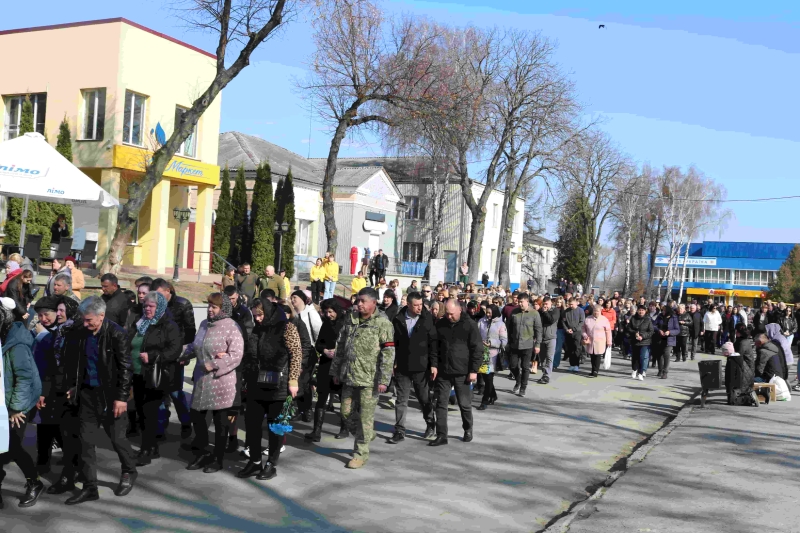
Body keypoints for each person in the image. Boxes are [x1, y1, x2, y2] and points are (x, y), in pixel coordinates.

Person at [64, 296, 138, 505]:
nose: (85, 324)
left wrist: (121, 398)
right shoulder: (81, 332)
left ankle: (129, 471)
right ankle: (90, 487)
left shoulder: (116, 334)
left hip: (111, 395)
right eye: (83, 320)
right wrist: (73, 385)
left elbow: (125, 368)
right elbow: (74, 362)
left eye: (89, 320)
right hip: (87, 394)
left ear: (102, 315)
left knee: (117, 438)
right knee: (85, 442)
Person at [236, 298, 302, 480]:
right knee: (252, 424)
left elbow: (296, 354)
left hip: (278, 386)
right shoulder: (258, 328)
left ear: (268, 312)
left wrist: (293, 380)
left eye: (260, 315)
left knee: (275, 427)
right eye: (255, 315)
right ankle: (255, 461)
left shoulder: (286, 327)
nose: (257, 319)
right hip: (256, 383)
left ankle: (271, 464)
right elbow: (250, 354)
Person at [330, 288, 394, 469]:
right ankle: (366, 433)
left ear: (374, 303)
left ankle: (360, 453)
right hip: (349, 375)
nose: (359, 304)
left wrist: (384, 379)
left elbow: (388, 353)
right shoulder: (350, 320)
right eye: (357, 301)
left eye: (363, 301)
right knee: (345, 412)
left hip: (369, 379)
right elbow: (340, 347)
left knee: (366, 417)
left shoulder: (382, 324)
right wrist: (335, 371)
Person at [183, 293, 244, 473]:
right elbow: (194, 346)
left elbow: (236, 355)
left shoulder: (232, 327)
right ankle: (202, 453)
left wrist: (215, 364)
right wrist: (180, 356)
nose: (210, 309)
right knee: (197, 417)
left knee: (220, 423)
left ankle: (217, 459)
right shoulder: (204, 325)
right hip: (202, 380)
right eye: (209, 305)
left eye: (214, 307)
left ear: (223, 309)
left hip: (221, 382)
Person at [126, 292, 182, 466]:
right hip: (136, 374)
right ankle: (152, 448)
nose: (147, 309)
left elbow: (175, 349)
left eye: (151, 306)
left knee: (149, 413)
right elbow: (130, 343)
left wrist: (153, 356)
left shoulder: (168, 325)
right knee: (142, 413)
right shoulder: (140, 323)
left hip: (155, 376)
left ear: (160, 308)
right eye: (145, 306)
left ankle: (146, 449)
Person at [0, 298, 44, 508]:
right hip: (4, 401)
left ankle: (34, 483)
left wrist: (16, 409)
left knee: (12, 447)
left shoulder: (16, 344)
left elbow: (25, 379)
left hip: (17, 404)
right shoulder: (4, 337)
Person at [42, 296, 82, 496]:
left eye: (61, 310)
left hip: (72, 391)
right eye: (56, 310)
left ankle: (69, 476)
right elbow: (52, 364)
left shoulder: (76, 332)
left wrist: (75, 387)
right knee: (65, 433)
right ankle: (75, 470)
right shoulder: (60, 331)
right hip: (58, 389)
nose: (58, 314)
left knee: (70, 434)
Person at [429, 299, 481, 447]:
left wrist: (473, 370)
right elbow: (434, 347)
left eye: (452, 314)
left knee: (464, 404)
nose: (449, 316)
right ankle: (441, 435)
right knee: (441, 403)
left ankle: (468, 429)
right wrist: (434, 365)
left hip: (463, 372)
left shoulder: (469, 325)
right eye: (447, 314)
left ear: (459, 310)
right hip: (444, 371)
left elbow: (477, 349)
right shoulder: (441, 324)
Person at [388, 291, 437, 444]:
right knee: (401, 400)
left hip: (421, 367)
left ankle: (430, 424)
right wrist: (392, 362)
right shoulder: (398, 319)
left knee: (424, 398)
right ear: (408, 304)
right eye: (415, 305)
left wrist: (434, 364)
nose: (419, 308)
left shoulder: (427, 318)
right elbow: (393, 343)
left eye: (421, 305)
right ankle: (399, 431)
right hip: (402, 366)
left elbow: (433, 343)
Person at [150, 279, 196, 440]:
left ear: (168, 290)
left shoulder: (182, 304)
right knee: (159, 391)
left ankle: (186, 422)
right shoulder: (155, 305)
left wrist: (184, 354)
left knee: (176, 391)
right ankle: (161, 426)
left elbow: (190, 332)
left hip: (177, 355)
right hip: (159, 355)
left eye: (159, 294)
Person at [304, 298, 348, 442]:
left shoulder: (346, 324)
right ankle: (316, 431)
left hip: (341, 366)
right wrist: (325, 351)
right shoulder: (326, 325)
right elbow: (318, 344)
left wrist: (338, 352)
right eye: (326, 312)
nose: (328, 315)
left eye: (331, 312)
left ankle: (344, 428)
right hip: (325, 365)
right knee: (321, 398)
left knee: (343, 399)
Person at [506, 293, 542, 396]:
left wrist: (538, 344)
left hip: (527, 344)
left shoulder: (534, 313)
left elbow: (538, 330)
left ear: (527, 301)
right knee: (512, 365)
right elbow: (508, 328)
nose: (520, 303)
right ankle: (518, 380)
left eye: (522, 302)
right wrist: (507, 341)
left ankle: (523, 387)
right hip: (514, 344)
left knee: (525, 367)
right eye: (519, 301)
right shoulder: (514, 312)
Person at [477, 304, 506, 409]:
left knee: (488, 378)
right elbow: (476, 334)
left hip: (493, 355)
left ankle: (484, 401)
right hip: (482, 354)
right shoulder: (481, 321)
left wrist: (492, 343)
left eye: (490, 313)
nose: (488, 315)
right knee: (485, 377)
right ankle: (493, 395)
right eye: (486, 312)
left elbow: (504, 341)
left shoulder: (501, 324)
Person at [720, 341, 758, 406]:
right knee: (733, 398)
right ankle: (748, 397)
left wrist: (729, 388)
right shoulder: (738, 358)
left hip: (736, 385)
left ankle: (749, 399)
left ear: (726, 352)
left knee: (732, 402)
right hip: (741, 382)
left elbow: (730, 376)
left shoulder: (731, 361)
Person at [582, 305, 612, 377]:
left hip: (600, 341)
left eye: (598, 311)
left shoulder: (604, 319)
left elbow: (608, 331)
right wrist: (585, 335)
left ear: (600, 311)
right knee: (592, 356)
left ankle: (595, 371)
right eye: (595, 311)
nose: (596, 312)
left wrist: (609, 342)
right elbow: (583, 328)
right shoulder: (588, 319)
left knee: (597, 356)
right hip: (590, 341)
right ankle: (593, 370)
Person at [627, 305, 653, 381]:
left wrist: (642, 336)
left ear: (645, 311)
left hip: (644, 342)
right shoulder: (633, 318)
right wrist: (635, 333)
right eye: (640, 310)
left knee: (642, 357)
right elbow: (629, 328)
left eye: (643, 310)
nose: (641, 312)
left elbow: (651, 331)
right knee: (635, 356)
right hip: (634, 340)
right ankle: (634, 369)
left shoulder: (648, 319)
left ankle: (641, 372)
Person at [653, 306, 680, 379]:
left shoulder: (673, 317)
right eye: (662, 310)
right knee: (659, 355)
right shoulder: (660, 316)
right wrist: (659, 330)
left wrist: (670, 332)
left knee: (666, 354)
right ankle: (660, 370)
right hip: (660, 338)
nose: (663, 312)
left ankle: (665, 372)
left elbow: (677, 330)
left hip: (669, 339)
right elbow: (654, 325)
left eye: (664, 310)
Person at [561, 297, 585, 372]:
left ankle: (576, 365)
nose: (570, 306)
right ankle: (572, 364)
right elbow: (563, 322)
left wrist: (574, 329)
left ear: (576, 303)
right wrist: (566, 329)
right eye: (569, 304)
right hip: (568, 332)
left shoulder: (580, 311)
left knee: (577, 348)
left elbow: (582, 322)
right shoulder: (566, 311)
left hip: (577, 332)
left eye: (572, 304)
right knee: (570, 349)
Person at [600, 299, 617, 370]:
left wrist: (608, 324)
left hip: (610, 328)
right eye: (606, 303)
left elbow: (614, 320)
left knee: (608, 341)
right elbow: (600, 318)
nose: (607, 304)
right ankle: (602, 351)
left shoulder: (613, 311)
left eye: (609, 303)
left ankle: (606, 353)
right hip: (602, 328)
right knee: (603, 341)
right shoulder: (602, 310)